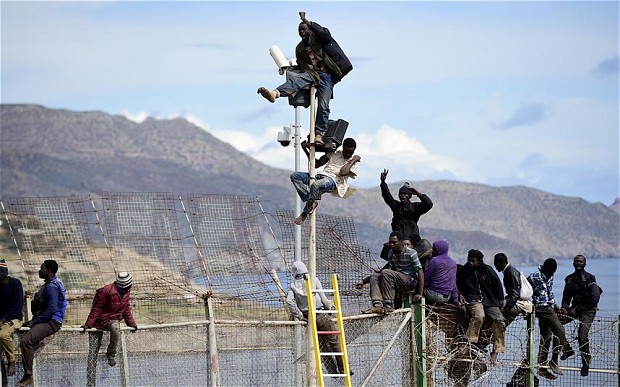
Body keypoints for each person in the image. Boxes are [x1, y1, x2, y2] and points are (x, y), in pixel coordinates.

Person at [257, 11, 352, 145]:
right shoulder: (300, 48)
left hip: (328, 75)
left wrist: (307, 21)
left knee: (323, 106)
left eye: (304, 29)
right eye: (300, 30)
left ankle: (319, 134)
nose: (302, 32)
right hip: (314, 74)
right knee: (297, 81)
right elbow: (303, 66)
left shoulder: (320, 39)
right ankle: (275, 93)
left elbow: (325, 33)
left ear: (310, 30)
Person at [285, 261, 348, 375]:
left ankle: (331, 370)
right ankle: (343, 368)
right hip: (319, 313)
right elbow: (324, 299)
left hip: (307, 316)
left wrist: (299, 316)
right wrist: (330, 311)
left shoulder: (293, 285)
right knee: (334, 340)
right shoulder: (313, 279)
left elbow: (289, 301)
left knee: (321, 345)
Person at [17, 260, 67, 387]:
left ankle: (28, 375)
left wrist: (35, 322)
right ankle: (34, 347)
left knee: (25, 341)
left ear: (48, 271)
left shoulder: (51, 287)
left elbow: (51, 309)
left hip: (52, 322)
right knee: (23, 330)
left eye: (42, 268)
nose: (40, 270)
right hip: (46, 320)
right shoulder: (51, 284)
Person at [81, 272, 138, 385]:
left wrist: (131, 323)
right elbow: (96, 308)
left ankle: (110, 354)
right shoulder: (105, 291)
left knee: (115, 327)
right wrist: (88, 324)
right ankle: (90, 384)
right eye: (130, 284)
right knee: (93, 353)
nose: (131, 286)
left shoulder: (126, 292)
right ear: (126, 285)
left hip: (112, 320)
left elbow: (126, 308)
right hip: (99, 322)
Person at [291, 138, 360, 225]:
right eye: (346, 151)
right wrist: (305, 149)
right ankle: (311, 199)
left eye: (351, 152)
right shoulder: (334, 153)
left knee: (316, 185)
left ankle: (305, 212)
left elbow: (343, 172)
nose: (348, 154)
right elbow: (316, 164)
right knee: (295, 176)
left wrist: (353, 160)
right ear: (343, 148)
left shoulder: (353, 164)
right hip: (320, 175)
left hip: (333, 181)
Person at [527, 258, 574, 380]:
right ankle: (554, 360)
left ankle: (542, 368)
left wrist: (554, 304)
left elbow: (549, 292)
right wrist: (529, 304)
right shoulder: (534, 277)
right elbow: (524, 289)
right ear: (545, 269)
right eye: (550, 272)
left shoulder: (550, 276)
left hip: (549, 307)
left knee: (546, 337)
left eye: (554, 272)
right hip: (541, 309)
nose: (552, 274)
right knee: (560, 331)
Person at [456, 249, 505, 365]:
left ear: (479, 261)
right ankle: (470, 341)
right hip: (473, 299)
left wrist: (500, 300)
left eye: (473, 261)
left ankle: (496, 350)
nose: (470, 263)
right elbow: (458, 285)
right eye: (469, 260)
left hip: (489, 300)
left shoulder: (487, 270)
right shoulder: (464, 271)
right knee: (479, 316)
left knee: (500, 320)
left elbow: (497, 285)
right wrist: (460, 294)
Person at [356, 231, 424, 314]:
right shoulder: (391, 253)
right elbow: (390, 270)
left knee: (386, 272)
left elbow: (420, 272)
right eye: (390, 242)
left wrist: (419, 293)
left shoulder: (411, 253)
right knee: (375, 276)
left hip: (409, 281)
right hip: (397, 279)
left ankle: (389, 304)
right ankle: (377, 305)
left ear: (400, 242)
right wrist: (364, 281)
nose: (391, 245)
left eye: (394, 242)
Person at [560, 255, 602, 377]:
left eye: (581, 261)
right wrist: (564, 308)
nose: (578, 263)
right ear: (573, 263)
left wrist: (577, 309)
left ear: (585, 264)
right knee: (554, 323)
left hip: (588, 310)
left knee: (582, 336)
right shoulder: (569, 279)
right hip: (574, 309)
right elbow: (566, 298)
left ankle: (586, 362)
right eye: (576, 261)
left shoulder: (589, 278)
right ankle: (567, 349)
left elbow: (595, 298)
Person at [379, 169, 433, 240]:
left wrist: (418, 194)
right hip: (398, 241)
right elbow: (387, 196)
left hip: (412, 241)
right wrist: (383, 182)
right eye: (401, 194)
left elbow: (429, 204)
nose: (403, 196)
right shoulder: (396, 206)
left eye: (405, 194)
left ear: (410, 196)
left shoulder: (416, 207)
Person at [493, 253, 533, 324]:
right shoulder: (509, 271)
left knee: (498, 320)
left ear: (498, 263)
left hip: (516, 303)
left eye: (495, 263)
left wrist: (507, 308)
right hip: (516, 302)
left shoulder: (510, 272)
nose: (495, 267)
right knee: (501, 324)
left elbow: (515, 293)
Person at [0, 259, 24, 377]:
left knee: (3, 335)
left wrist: (3, 320)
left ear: (2, 275)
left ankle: (12, 360)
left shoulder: (15, 284)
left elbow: (17, 307)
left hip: (14, 318)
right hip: (1, 320)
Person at [423, 240, 458, 305]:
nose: (432, 251)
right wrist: (456, 299)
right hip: (446, 297)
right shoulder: (453, 263)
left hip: (432, 294)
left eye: (434, 249)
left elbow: (425, 277)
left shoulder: (434, 261)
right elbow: (453, 283)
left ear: (439, 250)